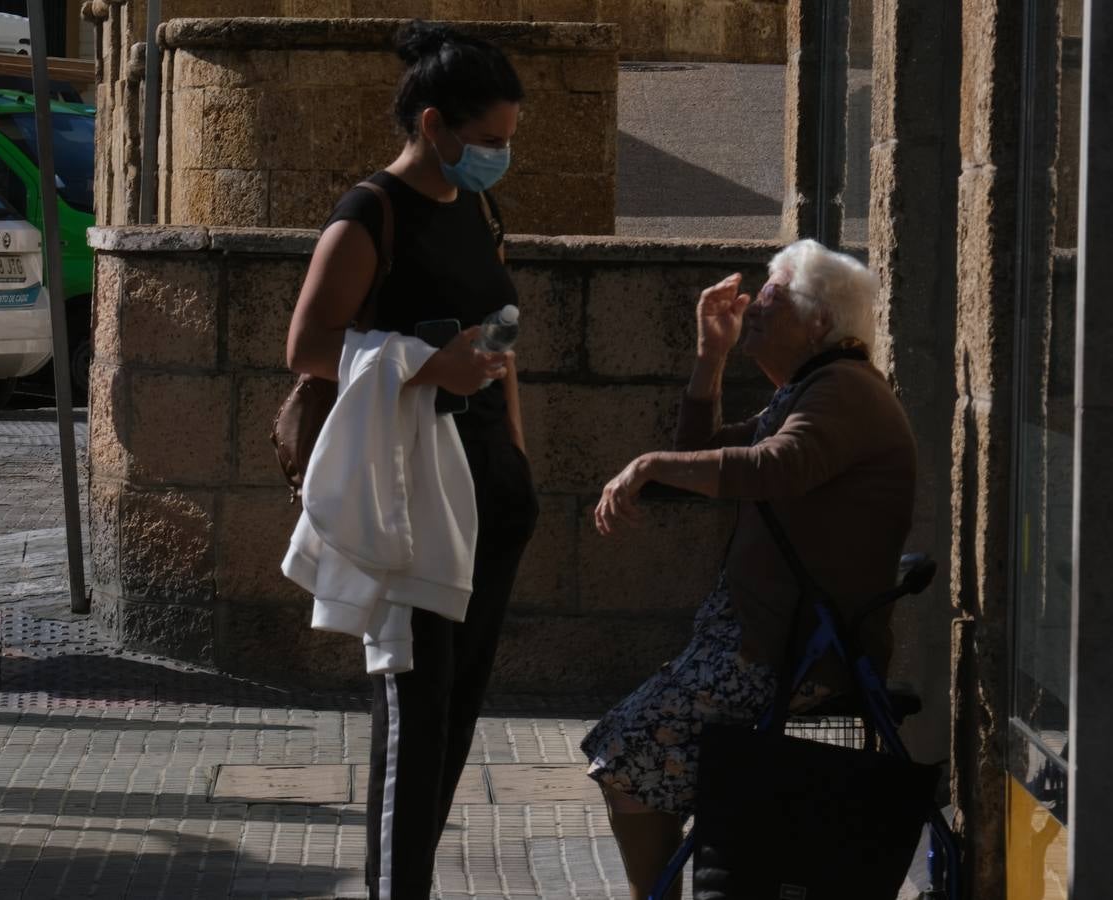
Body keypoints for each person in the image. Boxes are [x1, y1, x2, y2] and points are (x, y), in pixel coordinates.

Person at [580, 239, 917, 900]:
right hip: (761, 644)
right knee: (626, 751)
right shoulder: (812, 390)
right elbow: (701, 456)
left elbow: (770, 467)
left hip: (787, 655)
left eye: (770, 297)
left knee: (624, 758)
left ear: (816, 322)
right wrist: (711, 357)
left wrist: (646, 464)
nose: (751, 308)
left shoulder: (843, 391)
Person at [285, 22, 538, 899]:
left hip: (488, 487)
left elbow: (500, 340)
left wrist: (514, 449)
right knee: (414, 711)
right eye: (489, 141)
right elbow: (310, 344)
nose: (499, 157)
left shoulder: (477, 208)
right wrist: (430, 366)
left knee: (458, 711)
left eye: (507, 141)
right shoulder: (368, 215)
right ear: (435, 125)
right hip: (413, 489)